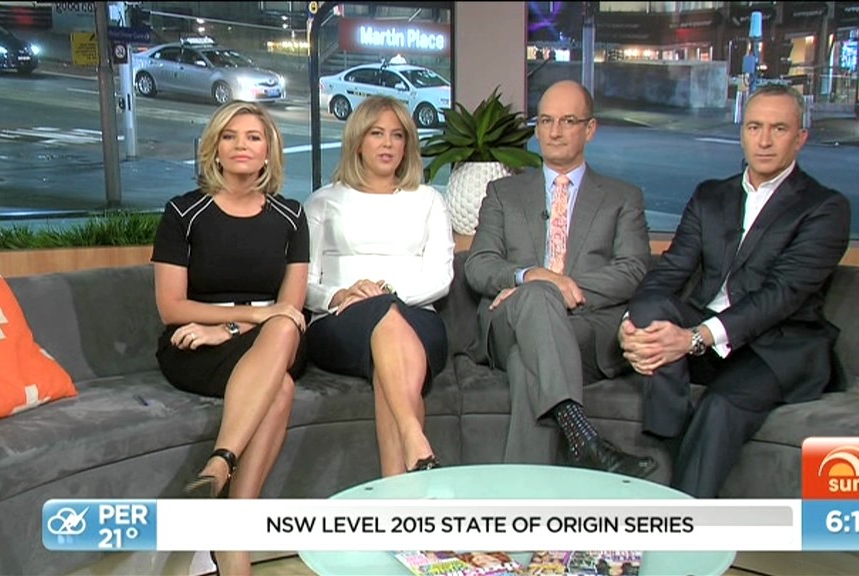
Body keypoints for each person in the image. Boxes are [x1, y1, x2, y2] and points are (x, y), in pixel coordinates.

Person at [619, 84, 851, 498]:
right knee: (651, 306)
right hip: (710, 342)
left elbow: (781, 295)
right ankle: (668, 437)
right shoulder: (711, 195)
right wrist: (631, 324)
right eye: (754, 127)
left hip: (777, 348)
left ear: (800, 138)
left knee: (720, 406)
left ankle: (687, 523)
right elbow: (671, 270)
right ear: (742, 132)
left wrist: (693, 338)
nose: (764, 141)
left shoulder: (825, 207)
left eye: (779, 129)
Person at [464, 80, 655, 479]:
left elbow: (633, 269)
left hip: (585, 328)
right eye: (546, 120)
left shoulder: (623, 197)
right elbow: (479, 265)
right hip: (508, 323)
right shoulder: (503, 193)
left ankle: (526, 494)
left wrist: (557, 289)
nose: (554, 131)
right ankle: (584, 437)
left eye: (568, 121)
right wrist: (530, 277)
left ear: (590, 129)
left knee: (526, 362)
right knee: (535, 297)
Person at [151, 100, 309, 575]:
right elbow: (171, 307)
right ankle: (235, 537)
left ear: (269, 151)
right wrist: (237, 320)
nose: (242, 145)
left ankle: (220, 462)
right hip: (194, 343)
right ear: (214, 148)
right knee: (279, 387)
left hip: (268, 339)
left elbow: (290, 309)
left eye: (254, 137)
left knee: (285, 328)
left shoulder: (291, 216)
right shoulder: (183, 212)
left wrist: (232, 327)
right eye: (230, 136)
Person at [304, 95, 454, 477]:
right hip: (340, 320)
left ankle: (397, 490)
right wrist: (340, 295)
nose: (388, 144)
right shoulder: (323, 202)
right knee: (384, 321)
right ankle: (413, 437)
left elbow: (440, 279)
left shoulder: (429, 200)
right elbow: (303, 283)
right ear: (358, 141)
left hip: (417, 317)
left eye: (397, 135)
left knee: (388, 326)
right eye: (376, 133)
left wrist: (389, 296)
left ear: (407, 145)